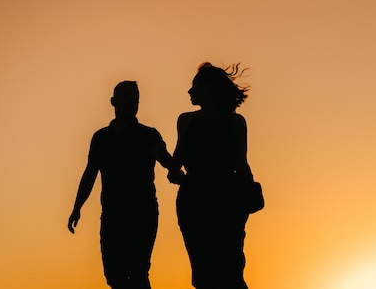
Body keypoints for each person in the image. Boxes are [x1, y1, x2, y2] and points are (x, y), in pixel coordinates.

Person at [68, 81, 173, 289]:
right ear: (113, 101)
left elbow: (165, 159)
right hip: (112, 214)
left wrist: (177, 169)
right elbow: (90, 173)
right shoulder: (101, 138)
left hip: (142, 213)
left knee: (138, 273)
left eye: (135, 97)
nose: (131, 101)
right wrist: (77, 207)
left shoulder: (148, 134)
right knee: (114, 276)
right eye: (125, 96)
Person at [168, 62, 253, 289]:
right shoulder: (186, 120)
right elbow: (176, 165)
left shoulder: (235, 122)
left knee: (232, 270)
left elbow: (241, 164)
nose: (189, 91)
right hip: (194, 203)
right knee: (203, 272)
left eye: (194, 86)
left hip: (226, 202)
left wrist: (250, 194)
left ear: (208, 90)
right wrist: (176, 174)